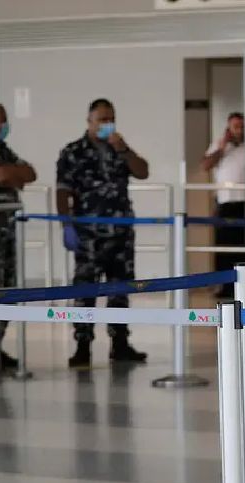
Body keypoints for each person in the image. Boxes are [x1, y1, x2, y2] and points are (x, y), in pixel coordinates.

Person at [56, 98, 150, 368]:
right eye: (102, 119)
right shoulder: (73, 152)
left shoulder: (120, 148)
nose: (107, 124)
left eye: (111, 119)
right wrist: (66, 225)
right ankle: (82, 346)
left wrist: (124, 150)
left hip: (121, 233)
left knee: (120, 289)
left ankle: (120, 343)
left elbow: (143, 172)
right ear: (89, 121)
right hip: (89, 235)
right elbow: (62, 191)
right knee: (85, 290)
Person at [0, 104, 37, 371]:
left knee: (7, 288)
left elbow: (29, 173)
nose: (3, 126)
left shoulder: (2, 150)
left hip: (6, 232)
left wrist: (10, 175)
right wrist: (11, 175)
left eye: (5, 121)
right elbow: (0, 176)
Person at [201, 112, 245, 299]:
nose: (239, 131)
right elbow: (206, 165)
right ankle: (224, 286)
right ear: (228, 128)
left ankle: (243, 286)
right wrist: (222, 147)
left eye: (242, 127)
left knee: (243, 246)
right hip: (225, 203)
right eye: (235, 127)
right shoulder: (219, 145)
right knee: (224, 247)